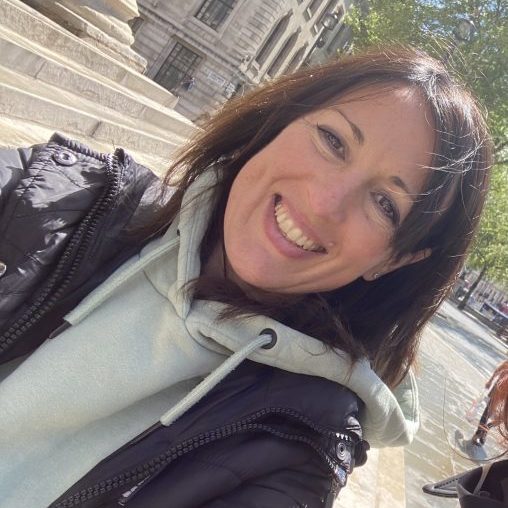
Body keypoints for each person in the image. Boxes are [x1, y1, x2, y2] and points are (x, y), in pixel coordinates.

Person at [0, 46, 492, 507]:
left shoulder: (295, 452)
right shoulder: (61, 196)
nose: (324, 203)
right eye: (333, 141)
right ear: (282, 118)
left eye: (385, 203)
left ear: (395, 261)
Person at [423, 361, 508, 507]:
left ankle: (481, 434)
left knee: (488, 416)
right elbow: (501, 369)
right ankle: (480, 435)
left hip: (500, 390)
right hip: (499, 390)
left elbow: (502, 369)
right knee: (487, 415)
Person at [471, 360, 508, 447]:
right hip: (500, 386)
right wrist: (490, 381)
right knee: (488, 411)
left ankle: (487, 427)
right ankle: (478, 433)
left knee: (504, 417)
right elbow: (500, 367)